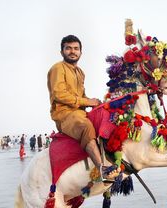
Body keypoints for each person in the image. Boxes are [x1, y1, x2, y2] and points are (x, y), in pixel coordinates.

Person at [47, 34, 116, 181]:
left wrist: (98, 104)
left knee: (109, 116)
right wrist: (87, 102)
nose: (72, 51)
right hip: (65, 115)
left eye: (76, 49)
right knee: (86, 127)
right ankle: (102, 169)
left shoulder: (80, 72)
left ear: (81, 52)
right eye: (68, 48)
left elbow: (83, 96)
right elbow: (59, 94)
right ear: (62, 52)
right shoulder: (57, 68)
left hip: (79, 112)